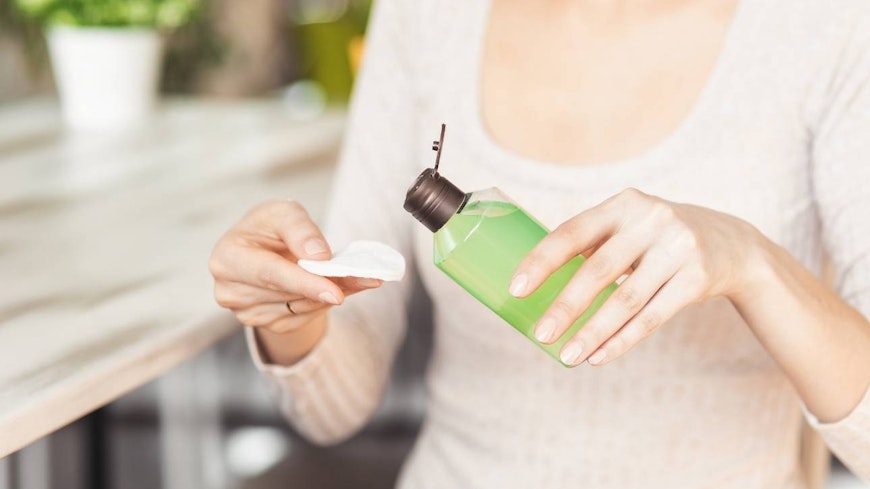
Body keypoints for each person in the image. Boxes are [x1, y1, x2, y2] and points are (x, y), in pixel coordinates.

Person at [208, 0, 870, 486]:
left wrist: (752, 263)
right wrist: (291, 310)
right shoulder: (425, 16)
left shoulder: (828, 27)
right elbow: (336, 408)